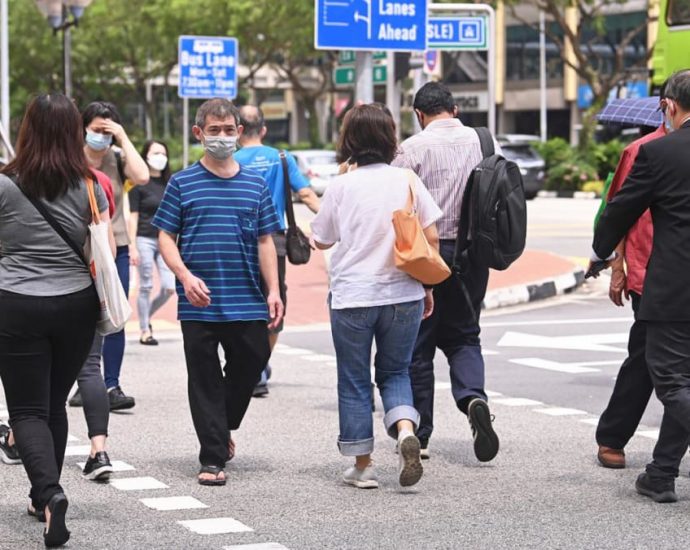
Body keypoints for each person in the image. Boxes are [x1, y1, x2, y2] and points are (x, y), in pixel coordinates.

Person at [153, 98, 283, 486]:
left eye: (229, 131)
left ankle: (222, 424)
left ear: (240, 133)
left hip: (246, 297)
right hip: (198, 302)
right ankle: (212, 458)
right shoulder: (182, 182)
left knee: (254, 357)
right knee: (204, 378)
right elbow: (165, 236)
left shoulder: (255, 184)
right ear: (199, 133)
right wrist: (184, 276)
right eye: (214, 131)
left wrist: (273, 289)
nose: (222, 137)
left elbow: (265, 241)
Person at [311, 104, 442, 489]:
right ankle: (404, 430)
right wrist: (427, 288)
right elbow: (430, 239)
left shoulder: (341, 185)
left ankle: (364, 467)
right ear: (390, 139)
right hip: (404, 293)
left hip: (353, 295)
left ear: (348, 139)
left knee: (354, 379)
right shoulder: (407, 181)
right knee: (395, 371)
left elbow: (322, 239)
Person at [0, 93, 110, 547]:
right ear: (72, 133)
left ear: (27, 131)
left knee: (26, 410)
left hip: (16, 303)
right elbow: (100, 245)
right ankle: (41, 496)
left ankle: (48, 492)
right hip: (76, 307)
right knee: (52, 403)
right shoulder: (91, 184)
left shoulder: (5, 185)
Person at [591, 69, 690, 503]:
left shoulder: (659, 153)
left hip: (673, 288)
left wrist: (603, 249)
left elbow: (619, 209)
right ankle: (661, 473)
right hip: (668, 288)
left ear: (668, 105)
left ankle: (660, 469)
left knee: (670, 379)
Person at [392, 82, 500, 462]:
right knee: (465, 336)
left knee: (418, 344)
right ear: (454, 108)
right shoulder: (484, 141)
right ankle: (473, 398)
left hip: (428, 252)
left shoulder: (411, 148)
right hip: (475, 253)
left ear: (419, 115)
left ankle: (419, 435)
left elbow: (397, 204)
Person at [595, 84, 669, 470]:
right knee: (643, 358)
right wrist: (617, 266)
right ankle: (613, 436)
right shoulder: (640, 151)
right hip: (648, 270)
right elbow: (618, 210)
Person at [235, 105, 320, 397]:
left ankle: (249, 366)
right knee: (274, 299)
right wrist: (332, 223)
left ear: (238, 130)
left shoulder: (231, 159)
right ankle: (260, 365)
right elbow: (306, 194)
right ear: (264, 129)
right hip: (276, 240)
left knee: (244, 299)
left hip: (240, 241)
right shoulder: (281, 158)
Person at [79, 101, 149, 411]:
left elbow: (143, 175)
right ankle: (84, 380)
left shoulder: (117, 158)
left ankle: (112, 385)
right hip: (78, 249)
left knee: (115, 316)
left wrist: (122, 137)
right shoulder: (71, 158)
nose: (101, 136)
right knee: (81, 318)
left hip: (116, 245)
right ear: (83, 129)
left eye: (108, 130)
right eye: (97, 130)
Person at [129, 140, 176, 346]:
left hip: (166, 239)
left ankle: (146, 318)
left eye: (163, 153)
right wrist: (132, 246)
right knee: (146, 285)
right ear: (146, 156)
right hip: (144, 238)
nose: (160, 157)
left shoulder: (171, 183)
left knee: (169, 287)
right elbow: (133, 217)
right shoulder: (138, 184)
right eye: (155, 153)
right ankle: (144, 329)